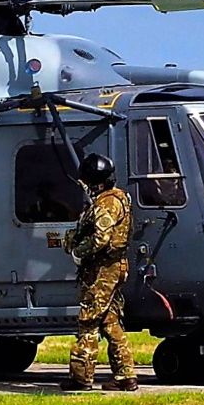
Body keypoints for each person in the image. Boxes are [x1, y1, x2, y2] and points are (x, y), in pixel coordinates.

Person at [61, 153, 136, 391]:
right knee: (110, 321)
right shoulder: (119, 198)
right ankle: (125, 376)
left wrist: (79, 252)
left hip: (102, 271)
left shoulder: (107, 203)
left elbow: (101, 238)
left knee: (88, 321)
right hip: (113, 269)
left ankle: (81, 377)